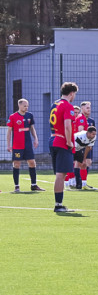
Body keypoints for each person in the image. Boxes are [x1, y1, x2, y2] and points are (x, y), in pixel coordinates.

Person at [49, 82, 78, 213]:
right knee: (61, 174)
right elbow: (67, 125)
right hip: (62, 141)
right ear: (71, 93)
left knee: (59, 174)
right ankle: (58, 205)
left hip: (53, 138)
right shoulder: (68, 106)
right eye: (74, 94)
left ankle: (58, 204)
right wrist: (69, 141)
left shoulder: (55, 104)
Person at [7, 98, 44, 193]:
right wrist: (8, 145)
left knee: (32, 162)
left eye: (27, 106)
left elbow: (32, 128)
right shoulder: (13, 116)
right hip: (17, 145)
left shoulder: (29, 115)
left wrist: (36, 139)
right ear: (19, 105)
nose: (26, 107)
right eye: (24, 106)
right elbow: (9, 132)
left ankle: (34, 185)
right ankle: (17, 187)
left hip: (28, 144)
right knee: (16, 164)